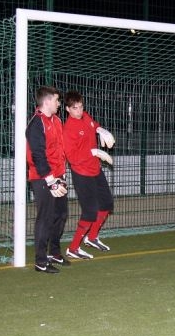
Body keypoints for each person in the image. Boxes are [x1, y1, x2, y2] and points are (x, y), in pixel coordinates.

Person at [62, 91, 116, 259]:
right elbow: (72, 157)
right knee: (90, 211)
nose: (79, 111)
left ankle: (92, 238)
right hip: (82, 173)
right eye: (75, 108)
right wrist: (94, 152)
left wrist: (100, 129)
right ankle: (73, 248)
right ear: (67, 109)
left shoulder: (84, 116)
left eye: (81, 107)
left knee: (106, 204)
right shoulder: (68, 129)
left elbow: (92, 124)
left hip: (95, 169)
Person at [26, 86, 70, 273]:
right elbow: (38, 155)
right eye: (56, 100)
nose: (59, 104)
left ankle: (54, 253)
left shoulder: (57, 120)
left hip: (58, 175)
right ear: (47, 101)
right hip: (43, 177)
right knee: (45, 218)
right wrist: (51, 180)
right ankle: (40, 261)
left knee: (60, 214)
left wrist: (62, 174)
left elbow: (60, 148)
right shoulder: (36, 124)